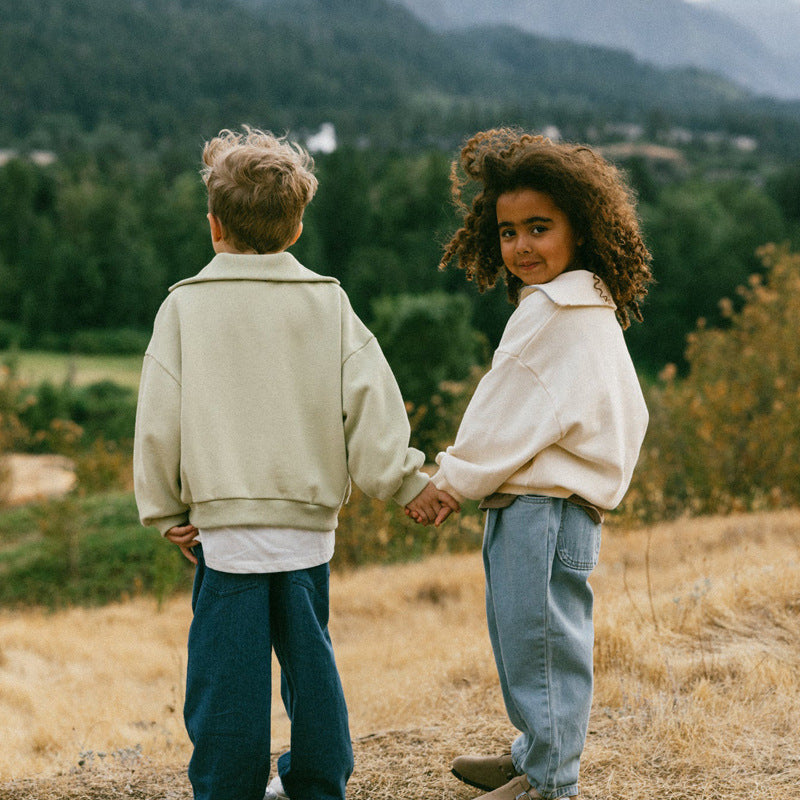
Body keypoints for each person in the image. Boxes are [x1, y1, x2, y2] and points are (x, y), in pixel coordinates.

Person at [133, 126, 458, 800]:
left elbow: (157, 420)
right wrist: (404, 482)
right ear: (298, 225)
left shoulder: (184, 307)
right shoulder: (329, 303)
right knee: (311, 663)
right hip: (307, 528)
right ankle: (316, 781)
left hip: (226, 532)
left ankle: (228, 788)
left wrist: (165, 511)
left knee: (228, 675)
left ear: (213, 225)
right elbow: (371, 403)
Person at [414, 128, 652, 800]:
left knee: (541, 647)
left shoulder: (554, 310)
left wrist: (448, 483)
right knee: (529, 642)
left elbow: (500, 413)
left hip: (541, 513)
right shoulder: (589, 306)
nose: (521, 246)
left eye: (539, 228)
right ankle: (533, 753)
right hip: (546, 510)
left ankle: (550, 782)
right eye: (509, 231)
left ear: (580, 229)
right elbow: (629, 413)